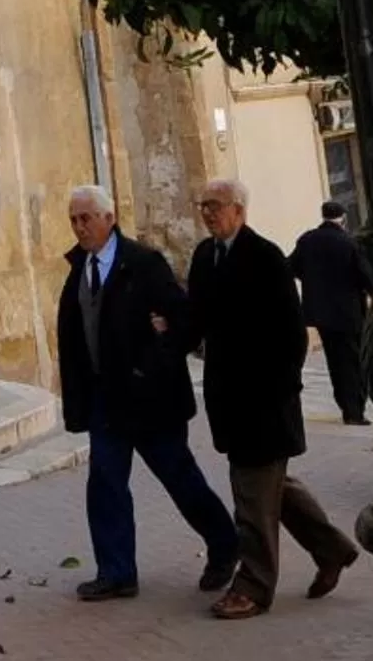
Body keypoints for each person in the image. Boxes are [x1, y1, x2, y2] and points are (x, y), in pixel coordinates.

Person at [178, 179, 360, 621]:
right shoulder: (205, 257)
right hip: (228, 397)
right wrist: (168, 336)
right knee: (273, 487)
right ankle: (332, 549)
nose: (208, 213)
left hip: (265, 398)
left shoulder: (265, 257)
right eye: (203, 206)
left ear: (239, 210)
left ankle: (254, 586)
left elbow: (291, 333)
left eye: (216, 205)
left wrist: (280, 388)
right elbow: (196, 319)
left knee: (252, 496)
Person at [55, 183, 240, 604]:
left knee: (180, 478)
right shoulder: (79, 268)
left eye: (86, 218)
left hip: (150, 399)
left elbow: (181, 322)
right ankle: (116, 572)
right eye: (74, 220)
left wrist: (150, 364)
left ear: (109, 218)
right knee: (105, 483)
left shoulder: (143, 263)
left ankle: (225, 543)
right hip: (105, 400)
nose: (79, 227)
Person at [289, 199, 373, 425]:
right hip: (349, 314)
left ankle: (346, 405)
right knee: (354, 362)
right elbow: (366, 277)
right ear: (343, 218)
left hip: (321, 315)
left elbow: (291, 267)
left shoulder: (307, 240)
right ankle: (355, 411)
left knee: (336, 362)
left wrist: (312, 280)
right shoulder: (350, 243)